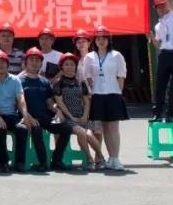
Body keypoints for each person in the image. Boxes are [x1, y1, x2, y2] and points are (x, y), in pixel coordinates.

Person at [82, 25, 129, 171]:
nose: (101, 41)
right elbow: (87, 77)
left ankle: (116, 158)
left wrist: (118, 92)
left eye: (104, 38)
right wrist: (93, 90)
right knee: (104, 129)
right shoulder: (89, 57)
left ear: (109, 40)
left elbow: (121, 76)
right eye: (98, 39)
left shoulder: (116, 55)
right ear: (94, 41)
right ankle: (110, 158)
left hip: (113, 95)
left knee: (113, 128)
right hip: (97, 96)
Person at [18, 47, 72, 172]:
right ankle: (42, 163)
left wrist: (57, 110)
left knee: (66, 128)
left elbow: (50, 103)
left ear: (41, 63)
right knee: (37, 129)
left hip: (44, 117)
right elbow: (18, 103)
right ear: (26, 62)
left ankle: (56, 160)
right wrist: (28, 117)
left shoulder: (44, 81)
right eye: (31, 60)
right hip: (27, 117)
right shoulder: (19, 81)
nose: (34, 62)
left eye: (37, 60)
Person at [0, 49, 32, 173]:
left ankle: (19, 162)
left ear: (7, 65)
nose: (0, 65)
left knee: (22, 129)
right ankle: (3, 162)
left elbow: (21, 99)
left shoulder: (15, 80)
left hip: (11, 115)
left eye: (2, 62)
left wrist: (25, 115)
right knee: (0, 128)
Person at [52, 53, 105, 170]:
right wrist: (70, 116)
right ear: (62, 67)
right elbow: (60, 103)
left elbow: (86, 101)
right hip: (67, 117)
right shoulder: (58, 83)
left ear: (76, 67)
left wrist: (85, 115)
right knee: (81, 132)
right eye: (66, 64)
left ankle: (101, 158)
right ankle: (89, 159)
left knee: (89, 134)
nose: (69, 67)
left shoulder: (80, 82)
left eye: (72, 64)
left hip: (81, 115)